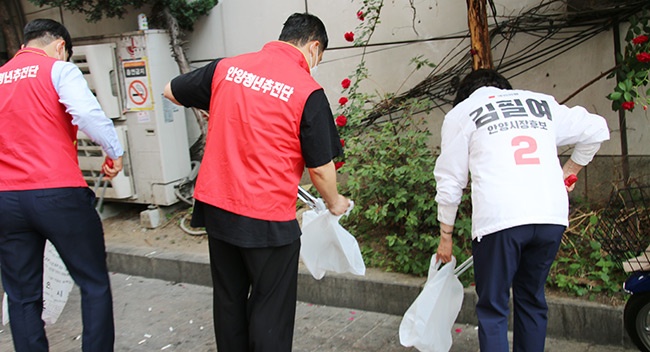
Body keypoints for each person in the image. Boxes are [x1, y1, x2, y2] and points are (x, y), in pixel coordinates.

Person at [163, 12, 350, 352]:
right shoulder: (307, 90)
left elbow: (170, 91)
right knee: (270, 307)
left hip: (217, 208)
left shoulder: (227, 68)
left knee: (230, 299)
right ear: (313, 47)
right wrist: (336, 202)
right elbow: (321, 169)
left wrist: (213, 104)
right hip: (267, 219)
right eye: (318, 58)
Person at [433, 69, 609, 352]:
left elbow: (451, 181)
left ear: (464, 95)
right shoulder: (541, 103)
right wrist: (570, 172)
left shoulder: (462, 113)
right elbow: (597, 128)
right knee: (531, 298)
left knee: (493, 308)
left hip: (500, 218)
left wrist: (446, 234)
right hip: (550, 215)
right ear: (504, 89)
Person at [0, 19, 124, 351]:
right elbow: (86, 114)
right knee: (93, 283)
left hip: (6, 199)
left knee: (22, 295)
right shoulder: (59, 70)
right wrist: (115, 152)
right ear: (59, 46)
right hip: (58, 193)